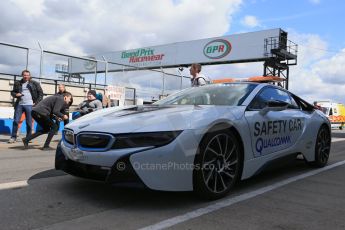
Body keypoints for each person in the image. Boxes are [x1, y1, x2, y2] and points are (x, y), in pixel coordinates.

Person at [8, 70, 43, 143]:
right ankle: (13, 137)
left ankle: (28, 137)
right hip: (20, 104)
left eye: (27, 75)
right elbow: (13, 92)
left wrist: (36, 103)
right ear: (22, 75)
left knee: (29, 122)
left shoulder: (35, 83)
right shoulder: (18, 83)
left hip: (30, 105)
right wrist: (15, 95)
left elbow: (40, 94)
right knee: (16, 121)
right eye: (24, 75)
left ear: (29, 76)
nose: (26, 76)